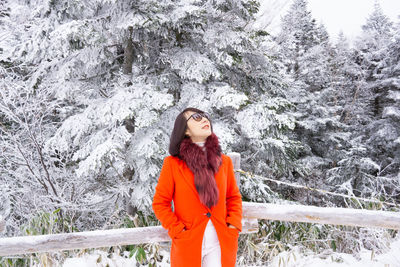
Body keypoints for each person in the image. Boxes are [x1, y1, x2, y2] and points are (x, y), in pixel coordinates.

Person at [152, 107, 243, 267]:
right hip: (188, 241)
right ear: (185, 130)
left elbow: (233, 198)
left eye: (205, 116)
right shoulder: (172, 164)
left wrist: (234, 225)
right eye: (196, 117)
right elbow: (160, 203)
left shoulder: (225, 162)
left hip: (220, 241)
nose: (204, 119)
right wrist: (178, 230)